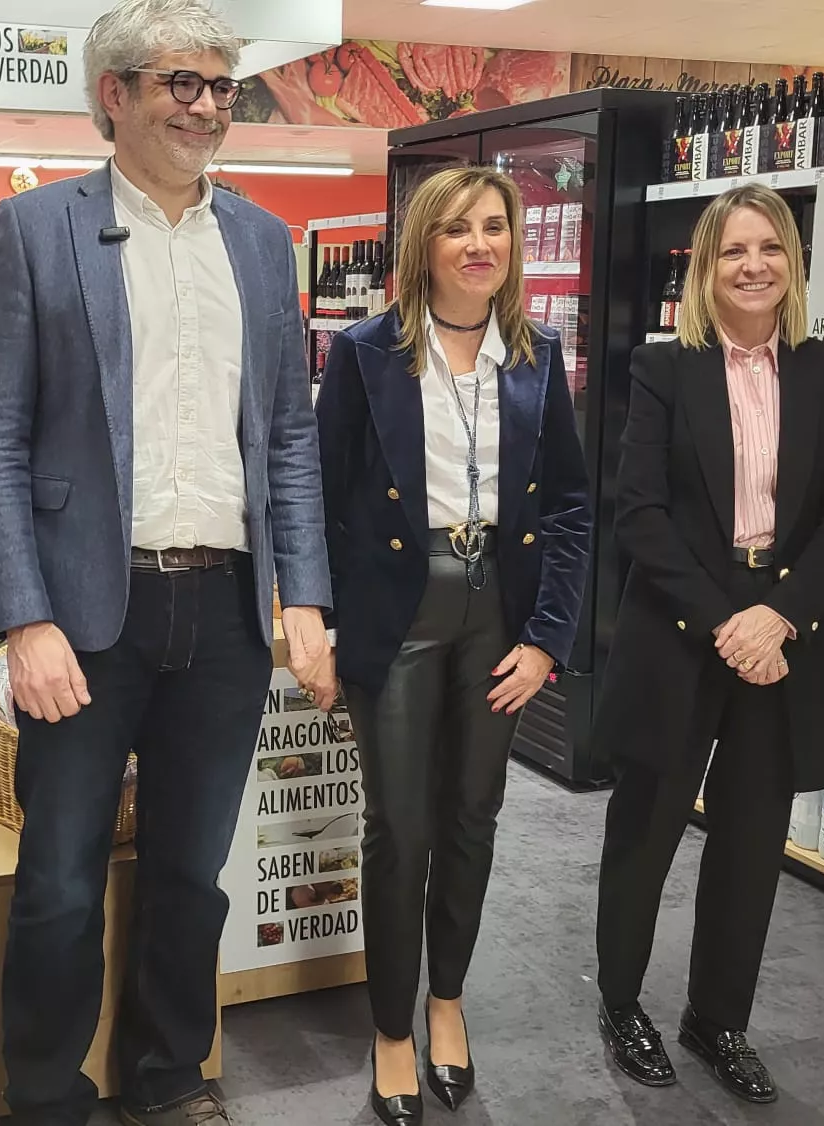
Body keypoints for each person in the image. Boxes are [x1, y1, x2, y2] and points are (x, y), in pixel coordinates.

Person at [0, 1, 334, 1122]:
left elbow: (287, 435)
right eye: (181, 82)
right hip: (80, 615)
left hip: (222, 611)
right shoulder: (35, 229)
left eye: (221, 86)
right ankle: (40, 1094)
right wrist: (20, 617)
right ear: (110, 95)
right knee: (62, 878)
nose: (207, 105)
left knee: (189, 870)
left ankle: (171, 1077)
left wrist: (302, 592)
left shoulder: (263, 244)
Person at [316, 165, 590, 1126]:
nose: (481, 245)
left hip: (498, 617)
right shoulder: (363, 354)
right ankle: (391, 1025)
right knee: (401, 828)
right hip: (398, 615)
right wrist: (318, 616)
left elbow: (567, 508)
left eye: (496, 229)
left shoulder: (536, 356)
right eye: (459, 229)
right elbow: (319, 496)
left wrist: (548, 639)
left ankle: (447, 1004)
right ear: (423, 244)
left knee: (475, 816)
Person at [591, 183, 824, 1105]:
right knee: (648, 828)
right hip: (684, 623)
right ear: (705, 272)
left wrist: (778, 614)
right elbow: (640, 514)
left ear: (793, 263)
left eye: (770, 249)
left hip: (780, 632)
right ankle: (622, 1003)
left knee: (752, 837)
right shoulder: (665, 370)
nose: (753, 267)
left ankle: (719, 1019)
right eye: (732, 252)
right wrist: (726, 621)